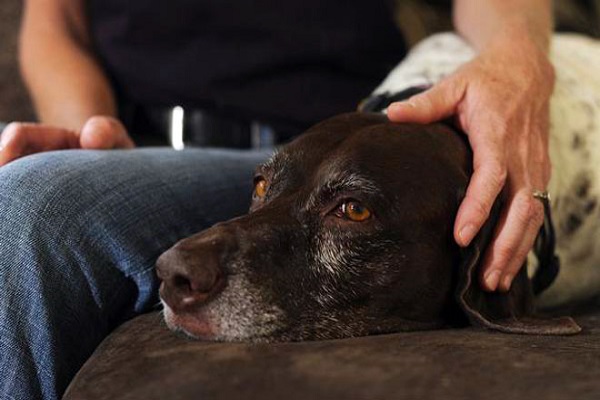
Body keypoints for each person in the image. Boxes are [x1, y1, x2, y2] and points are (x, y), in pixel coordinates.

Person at [0, 0, 554, 398]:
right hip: (148, 142)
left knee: (28, 202)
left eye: (351, 213)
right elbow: (57, 19)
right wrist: (89, 136)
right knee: (26, 196)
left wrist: (519, 61)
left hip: (350, 130)